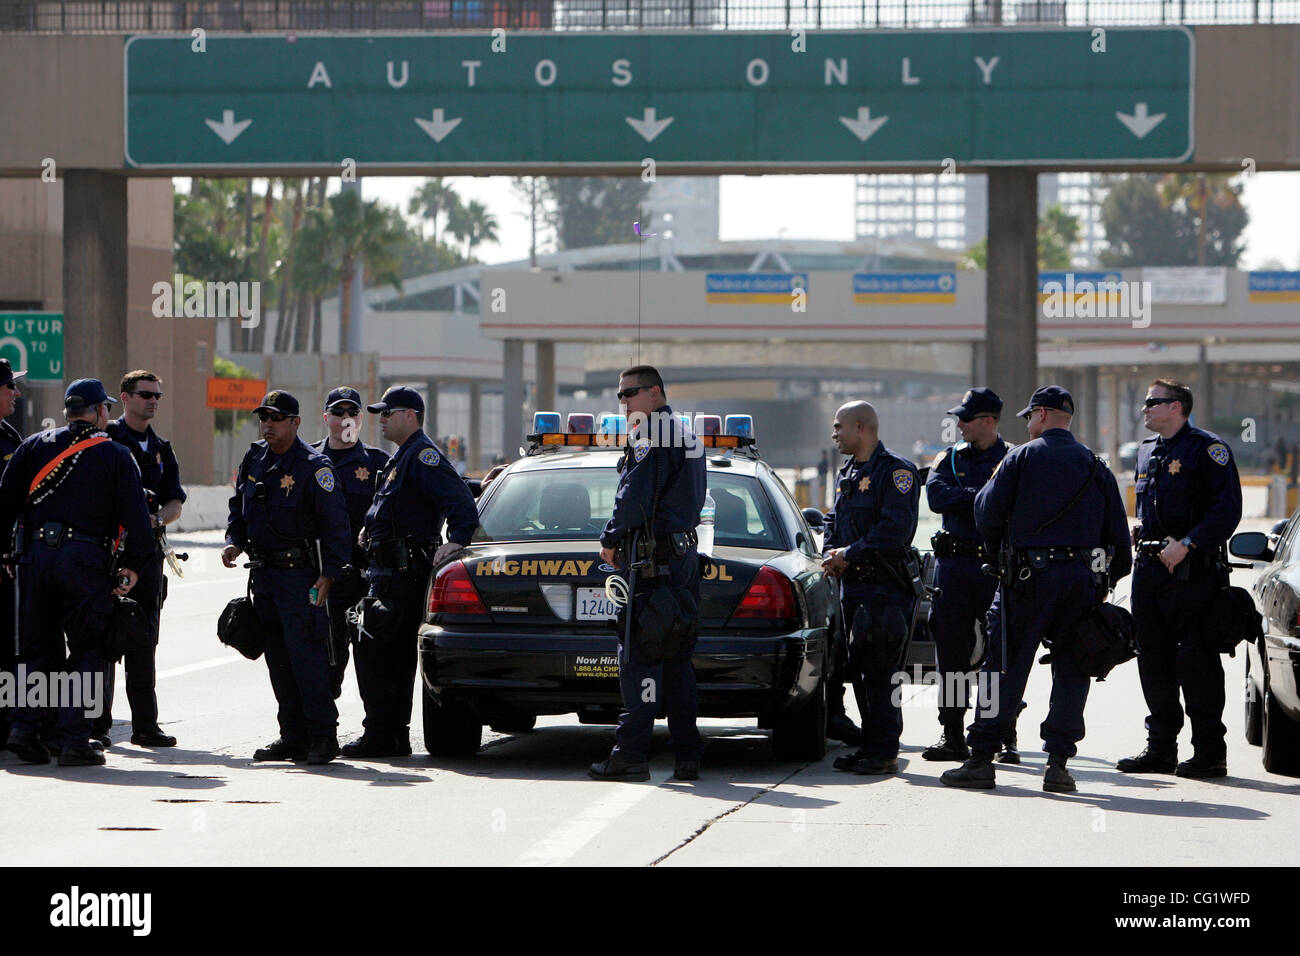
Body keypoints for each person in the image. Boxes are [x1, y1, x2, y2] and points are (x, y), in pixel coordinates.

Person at [942, 386, 1131, 793]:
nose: (1027, 424)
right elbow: (1119, 540)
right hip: (1080, 582)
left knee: (1002, 668)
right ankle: (1058, 764)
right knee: (1073, 669)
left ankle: (981, 760)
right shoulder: (1096, 465)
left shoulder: (1020, 457)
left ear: (1042, 415)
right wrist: (1101, 583)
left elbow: (986, 512)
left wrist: (999, 558)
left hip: (1026, 580)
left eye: (1030, 416)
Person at [1, 378, 152, 767]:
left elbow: (4, 504)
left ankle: (23, 728)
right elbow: (138, 520)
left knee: (35, 647)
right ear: (101, 411)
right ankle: (73, 739)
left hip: (34, 559)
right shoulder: (116, 454)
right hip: (83, 562)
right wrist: (134, 566)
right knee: (88, 647)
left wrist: (6, 553)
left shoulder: (33, 445)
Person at [1118, 379, 1242, 778]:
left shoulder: (1208, 449)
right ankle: (1160, 748)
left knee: (1196, 661)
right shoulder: (1146, 451)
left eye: (1152, 402)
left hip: (1192, 573)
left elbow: (1227, 510)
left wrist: (1188, 544)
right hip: (1150, 569)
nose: (1145, 409)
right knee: (1152, 658)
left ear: (1177, 407)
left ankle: (1209, 751)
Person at [590, 365, 707, 781]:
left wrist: (609, 538)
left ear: (655, 394)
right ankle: (688, 755)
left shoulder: (653, 433)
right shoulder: (683, 432)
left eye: (630, 393)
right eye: (619, 394)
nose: (623, 402)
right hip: (679, 562)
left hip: (655, 565)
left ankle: (631, 756)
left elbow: (634, 494)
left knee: (639, 659)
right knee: (677, 661)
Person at [222, 390, 350, 765]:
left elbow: (336, 525)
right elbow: (238, 507)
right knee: (277, 658)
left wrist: (328, 575)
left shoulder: (314, 466)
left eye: (276, 419)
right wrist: (235, 541)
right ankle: (292, 736)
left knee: (306, 657)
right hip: (264, 576)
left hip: (302, 578)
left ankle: (323, 736)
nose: (268, 425)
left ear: (295, 423)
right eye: (263, 418)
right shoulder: (254, 458)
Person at [349, 386, 478, 758]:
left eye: (388, 413)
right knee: (376, 653)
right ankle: (385, 732)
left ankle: (385, 735)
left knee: (387, 657)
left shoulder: (422, 456)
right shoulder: (401, 458)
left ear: (410, 416)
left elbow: (460, 504)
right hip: (384, 572)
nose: (382, 420)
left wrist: (457, 541)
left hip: (404, 575)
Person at [923, 387, 1025, 763]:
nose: (959, 425)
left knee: (1001, 653)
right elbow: (936, 498)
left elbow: (1016, 505)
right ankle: (952, 734)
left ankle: (1003, 733)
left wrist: (967, 495)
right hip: (954, 567)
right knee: (950, 652)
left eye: (966, 419)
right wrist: (985, 496)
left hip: (997, 567)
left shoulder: (1015, 458)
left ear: (988, 421)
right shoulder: (948, 458)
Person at [822, 401, 920, 776]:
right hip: (854, 589)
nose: (834, 435)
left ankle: (884, 750)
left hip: (883, 590)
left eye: (838, 427)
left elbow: (894, 531)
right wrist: (832, 552)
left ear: (860, 427)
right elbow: (836, 518)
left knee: (881, 672)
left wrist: (850, 553)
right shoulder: (849, 470)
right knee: (860, 670)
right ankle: (871, 746)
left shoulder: (896, 472)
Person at [92, 370, 185, 748]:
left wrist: (156, 519)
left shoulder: (161, 448)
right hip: (109, 553)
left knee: (143, 639)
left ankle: (145, 726)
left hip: (146, 556)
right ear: (125, 397)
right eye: (145, 394)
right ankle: (96, 725)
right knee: (102, 638)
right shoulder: (108, 440)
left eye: (157, 395)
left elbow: (175, 500)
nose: (153, 401)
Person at [310, 386, 390, 699]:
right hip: (319, 579)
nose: (345, 418)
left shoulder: (377, 462)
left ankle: (377, 733)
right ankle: (321, 733)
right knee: (321, 656)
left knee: (370, 656)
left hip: (362, 581)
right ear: (326, 417)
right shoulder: (308, 460)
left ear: (360, 419)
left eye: (352, 412)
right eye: (339, 412)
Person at [0, 357, 26, 749]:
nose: (16, 393)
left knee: (9, 645)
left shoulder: (9, 436)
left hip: (9, 562)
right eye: (10, 386)